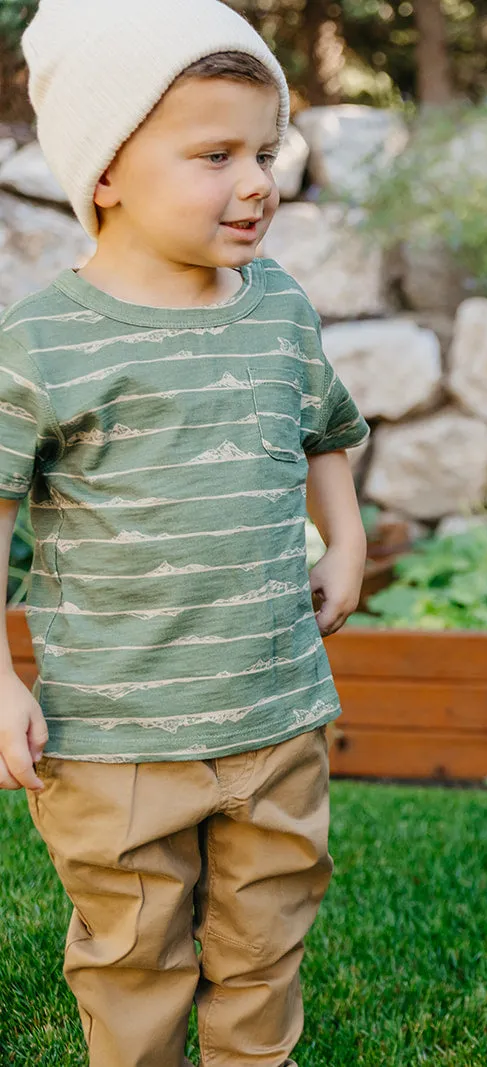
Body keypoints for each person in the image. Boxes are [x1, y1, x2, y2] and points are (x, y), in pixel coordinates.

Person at [0, 2, 370, 1064]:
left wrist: (340, 537)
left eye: (265, 149)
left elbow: (327, 429)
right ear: (106, 172)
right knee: (133, 957)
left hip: (275, 709)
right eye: (215, 154)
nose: (258, 180)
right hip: (114, 734)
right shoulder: (43, 343)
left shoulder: (278, 308)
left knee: (264, 942)